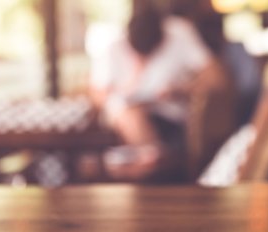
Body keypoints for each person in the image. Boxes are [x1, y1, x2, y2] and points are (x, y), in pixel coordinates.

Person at [89, 1, 230, 181]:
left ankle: (148, 164)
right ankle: (152, 159)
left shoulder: (179, 33)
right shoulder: (113, 47)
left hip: (171, 121)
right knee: (128, 112)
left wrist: (181, 90)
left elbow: (218, 79)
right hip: (123, 122)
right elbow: (97, 93)